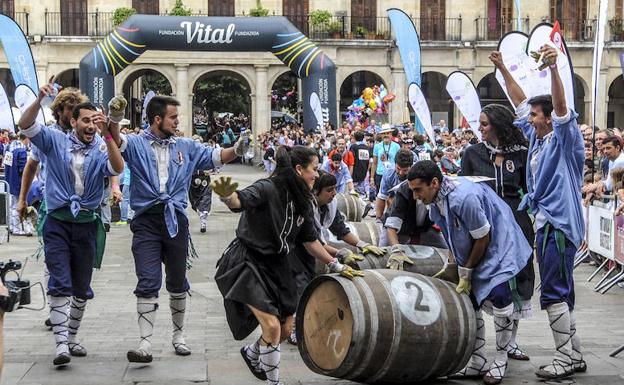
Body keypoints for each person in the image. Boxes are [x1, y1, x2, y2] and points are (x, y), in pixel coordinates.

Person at [107, 95, 244, 363]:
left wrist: (238, 148)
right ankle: (145, 343)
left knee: (178, 281)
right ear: (158, 119)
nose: (178, 122)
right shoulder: (135, 144)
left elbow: (216, 157)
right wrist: (114, 117)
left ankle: (178, 336)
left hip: (176, 222)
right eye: (173, 117)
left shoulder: (186, 145)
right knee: (147, 280)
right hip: (146, 221)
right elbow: (114, 138)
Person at [213, 146, 363, 385]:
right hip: (249, 262)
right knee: (272, 327)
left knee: (284, 329)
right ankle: (274, 383)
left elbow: (310, 240)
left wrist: (335, 264)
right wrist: (227, 195)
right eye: (314, 169)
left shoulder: (303, 199)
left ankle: (252, 353)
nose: (317, 174)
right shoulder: (268, 187)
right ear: (299, 169)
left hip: (279, 265)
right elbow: (240, 200)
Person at [492, 46, 586, 380]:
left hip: (560, 225)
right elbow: (520, 101)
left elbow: (561, 109)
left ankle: (564, 358)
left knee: (553, 292)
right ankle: (573, 353)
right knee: (563, 290)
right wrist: (503, 68)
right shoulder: (538, 136)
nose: (528, 119)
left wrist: (555, 68)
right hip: (546, 222)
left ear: (547, 117)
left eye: (535, 115)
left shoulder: (565, 137)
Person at [18, 85, 125, 366]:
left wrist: (109, 136)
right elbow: (25, 124)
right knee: (60, 281)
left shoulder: (101, 147)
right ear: (73, 121)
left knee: (81, 286)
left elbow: (117, 168)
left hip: (87, 223)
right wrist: (40, 97)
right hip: (57, 222)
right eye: (85, 121)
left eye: (94, 121)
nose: (90, 126)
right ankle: (61, 344)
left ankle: (73, 336)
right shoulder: (54, 140)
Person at [408, 160, 532, 385]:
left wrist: (467, 270)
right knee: (471, 300)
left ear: (434, 183)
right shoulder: (434, 200)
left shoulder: (464, 198)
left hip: (499, 245)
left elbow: (483, 236)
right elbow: (450, 233)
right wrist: (453, 263)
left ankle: (501, 359)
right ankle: (478, 360)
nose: (416, 196)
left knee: (500, 299)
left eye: (418, 190)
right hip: (476, 245)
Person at [459, 102, 536, 363]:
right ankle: (480, 350)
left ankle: (511, 342)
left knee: (517, 279)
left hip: (516, 221)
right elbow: (463, 188)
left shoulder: (521, 153)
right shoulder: (472, 153)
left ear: (499, 126)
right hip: (485, 224)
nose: (479, 129)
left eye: (484, 124)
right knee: (490, 280)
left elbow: (530, 188)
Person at [374, 149, 414, 221]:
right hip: (395, 203)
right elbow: (382, 197)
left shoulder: (416, 173)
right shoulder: (389, 173)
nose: (401, 173)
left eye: (405, 170)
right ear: (395, 164)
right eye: (398, 169)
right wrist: (378, 218)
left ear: (411, 167)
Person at [371, 128, 400, 192]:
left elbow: (398, 162)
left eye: (388, 133)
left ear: (391, 134)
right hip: (380, 174)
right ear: (381, 135)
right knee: (379, 195)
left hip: (392, 174)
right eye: (384, 133)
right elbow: (374, 163)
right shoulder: (377, 146)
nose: (386, 135)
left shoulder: (396, 146)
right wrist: (372, 178)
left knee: (392, 196)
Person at [350, 130, 372, 197]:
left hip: (354, 173)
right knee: (361, 193)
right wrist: (367, 170)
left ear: (355, 138)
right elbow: (370, 161)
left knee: (354, 194)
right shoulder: (367, 148)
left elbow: (351, 161)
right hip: (364, 173)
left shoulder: (353, 147)